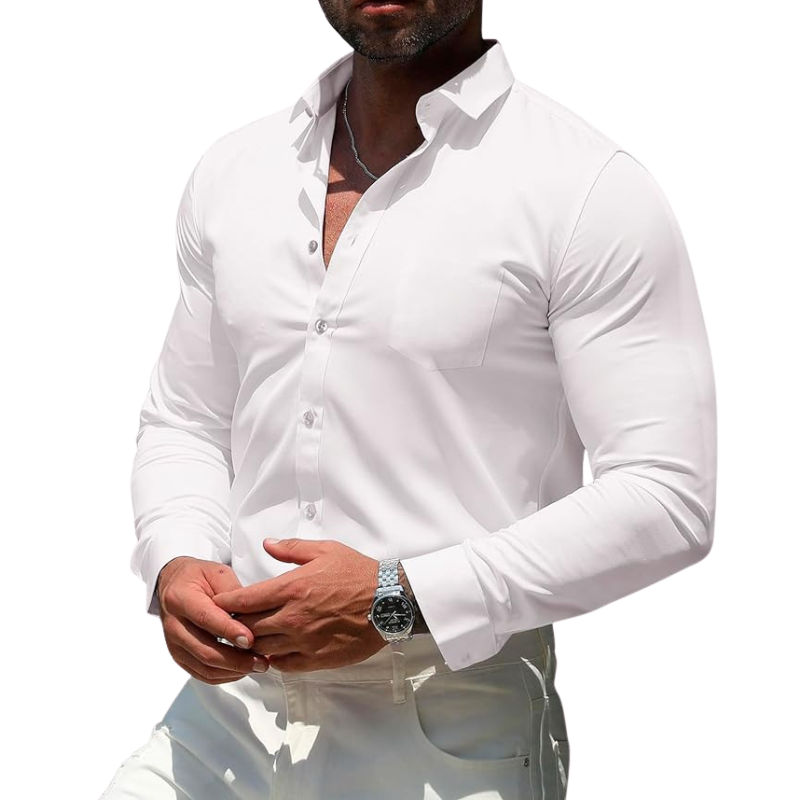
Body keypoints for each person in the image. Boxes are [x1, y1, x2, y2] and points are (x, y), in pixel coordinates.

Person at [99, 1, 717, 798]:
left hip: (444, 726)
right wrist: (178, 557)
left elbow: (667, 496)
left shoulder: (586, 189)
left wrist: (396, 601)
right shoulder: (238, 170)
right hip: (229, 716)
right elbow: (188, 418)